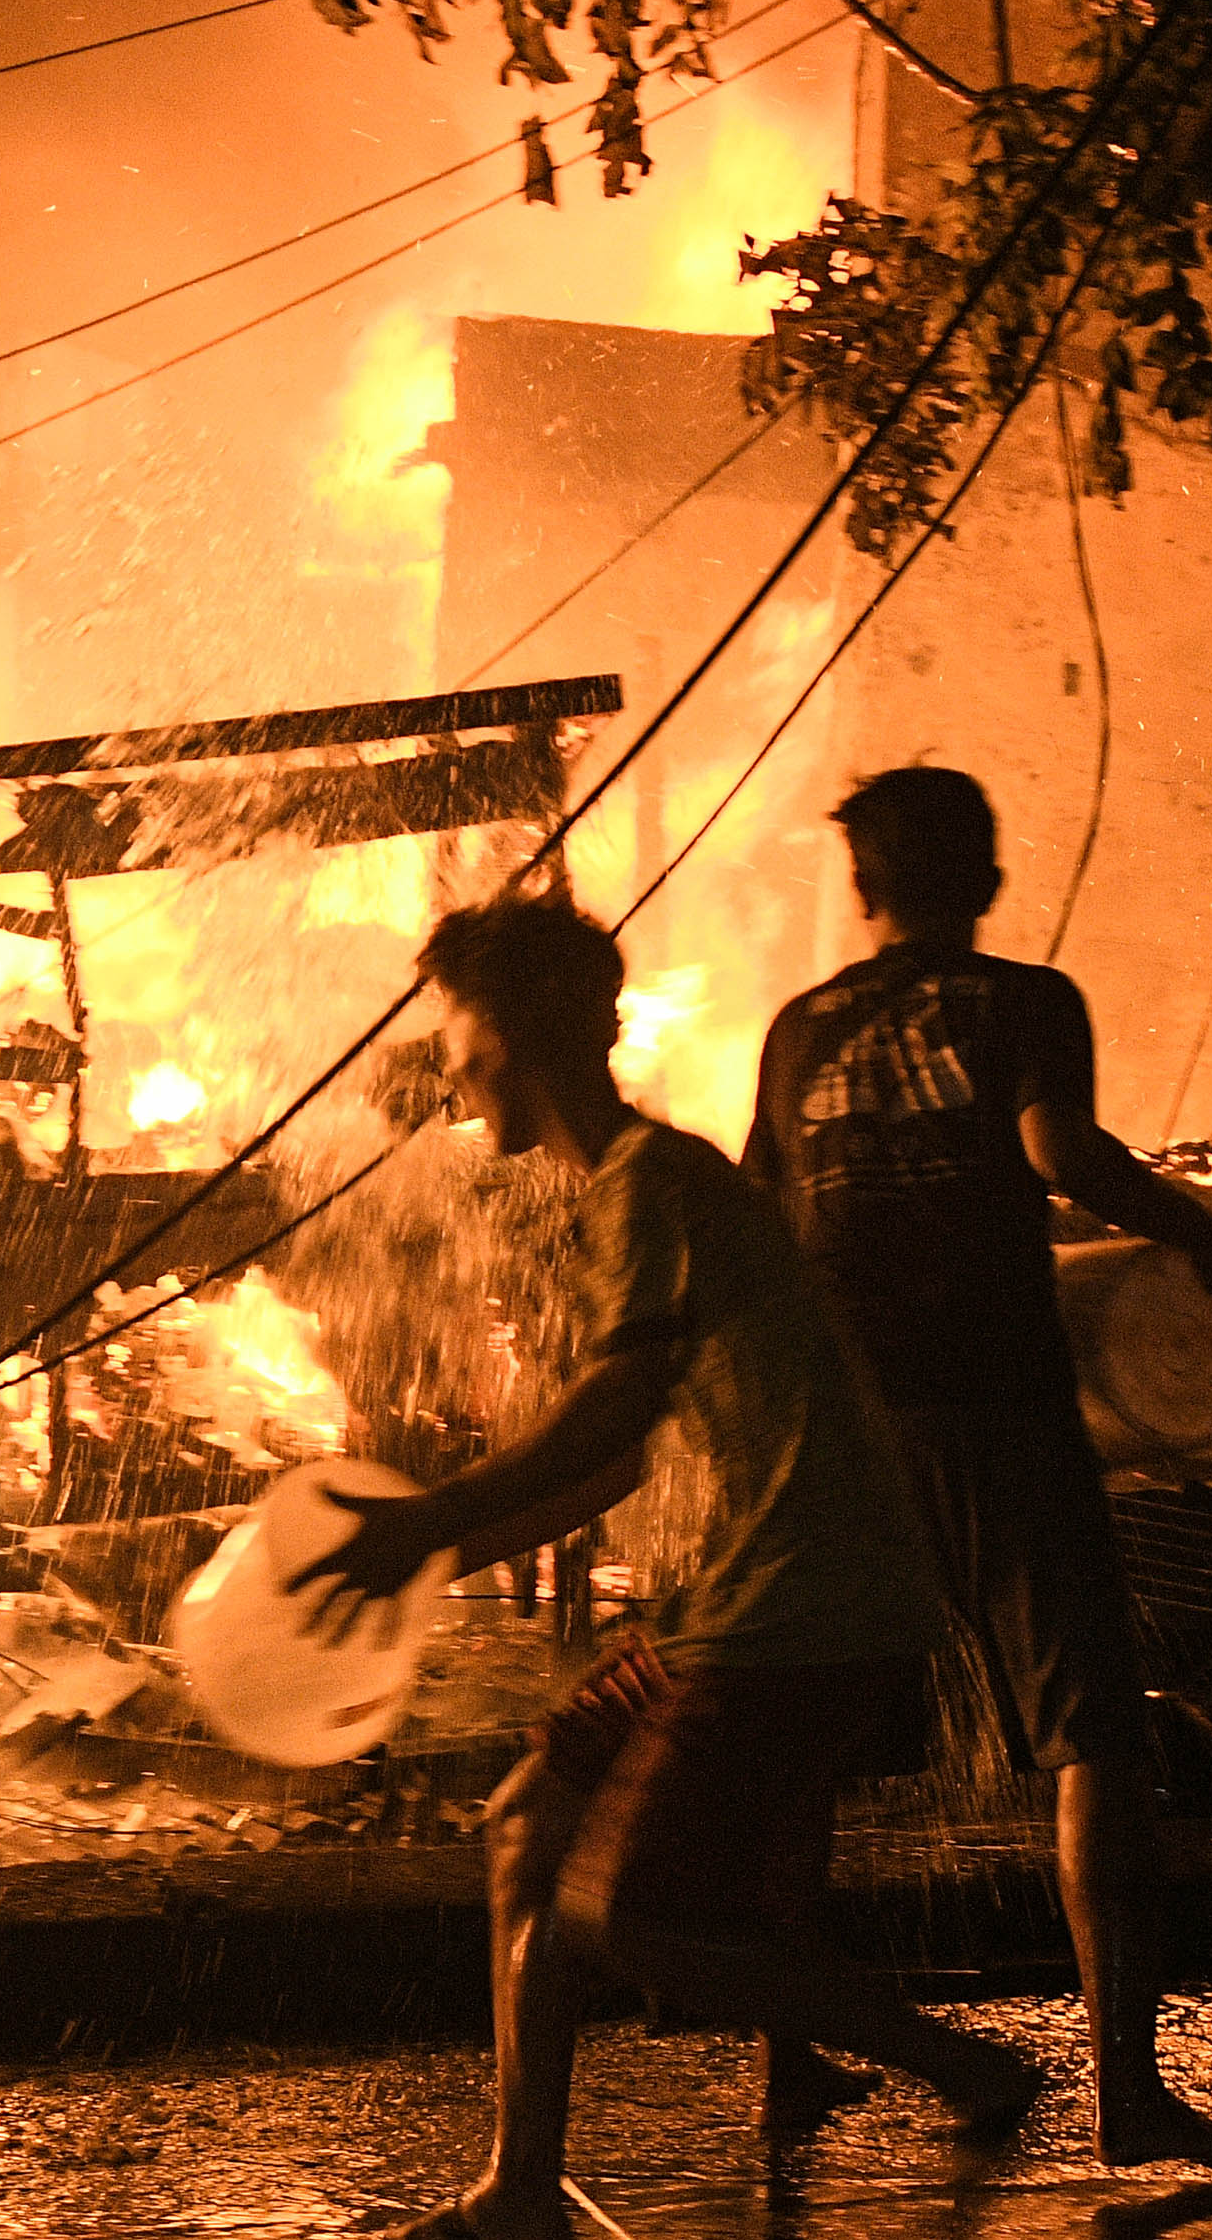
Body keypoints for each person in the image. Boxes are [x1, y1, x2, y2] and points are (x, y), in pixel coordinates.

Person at [292, 896, 1038, 2240]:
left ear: (513, 1035)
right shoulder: (637, 1188)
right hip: (740, 1598)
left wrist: (424, 1520)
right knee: (526, 1827)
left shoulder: (653, 1183)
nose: (448, 1068)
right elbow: (620, 1468)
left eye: (458, 1037)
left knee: (625, 1921)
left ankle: (965, 2065)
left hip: (804, 1603)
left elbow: (613, 1415)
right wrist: (440, 1552)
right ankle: (521, 2195)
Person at [740, 767, 1212, 2170]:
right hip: (998, 1410)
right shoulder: (1027, 1002)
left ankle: (789, 2060)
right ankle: (1126, 2092)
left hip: (847, 1429)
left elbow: (763, 1212)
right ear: (983, 879)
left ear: (865, 890)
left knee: (810, 1747)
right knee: (1094, 1735)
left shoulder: (802, 1029)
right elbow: (1058, 1149)